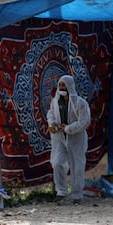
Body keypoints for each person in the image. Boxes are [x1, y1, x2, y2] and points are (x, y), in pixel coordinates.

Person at [46, 74, 91, 206]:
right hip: (59, 138)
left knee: (77, 166)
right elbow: (51, 114)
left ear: (69, 86)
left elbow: (85, 121)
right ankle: (61, 192)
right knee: (57, 163)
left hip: (76, 138)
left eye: (63, 85)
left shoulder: (80, 103)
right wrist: (52, 124)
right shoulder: (55, 101)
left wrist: (68, 128)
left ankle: (77, 194)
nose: (61, 87)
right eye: (60, 85)